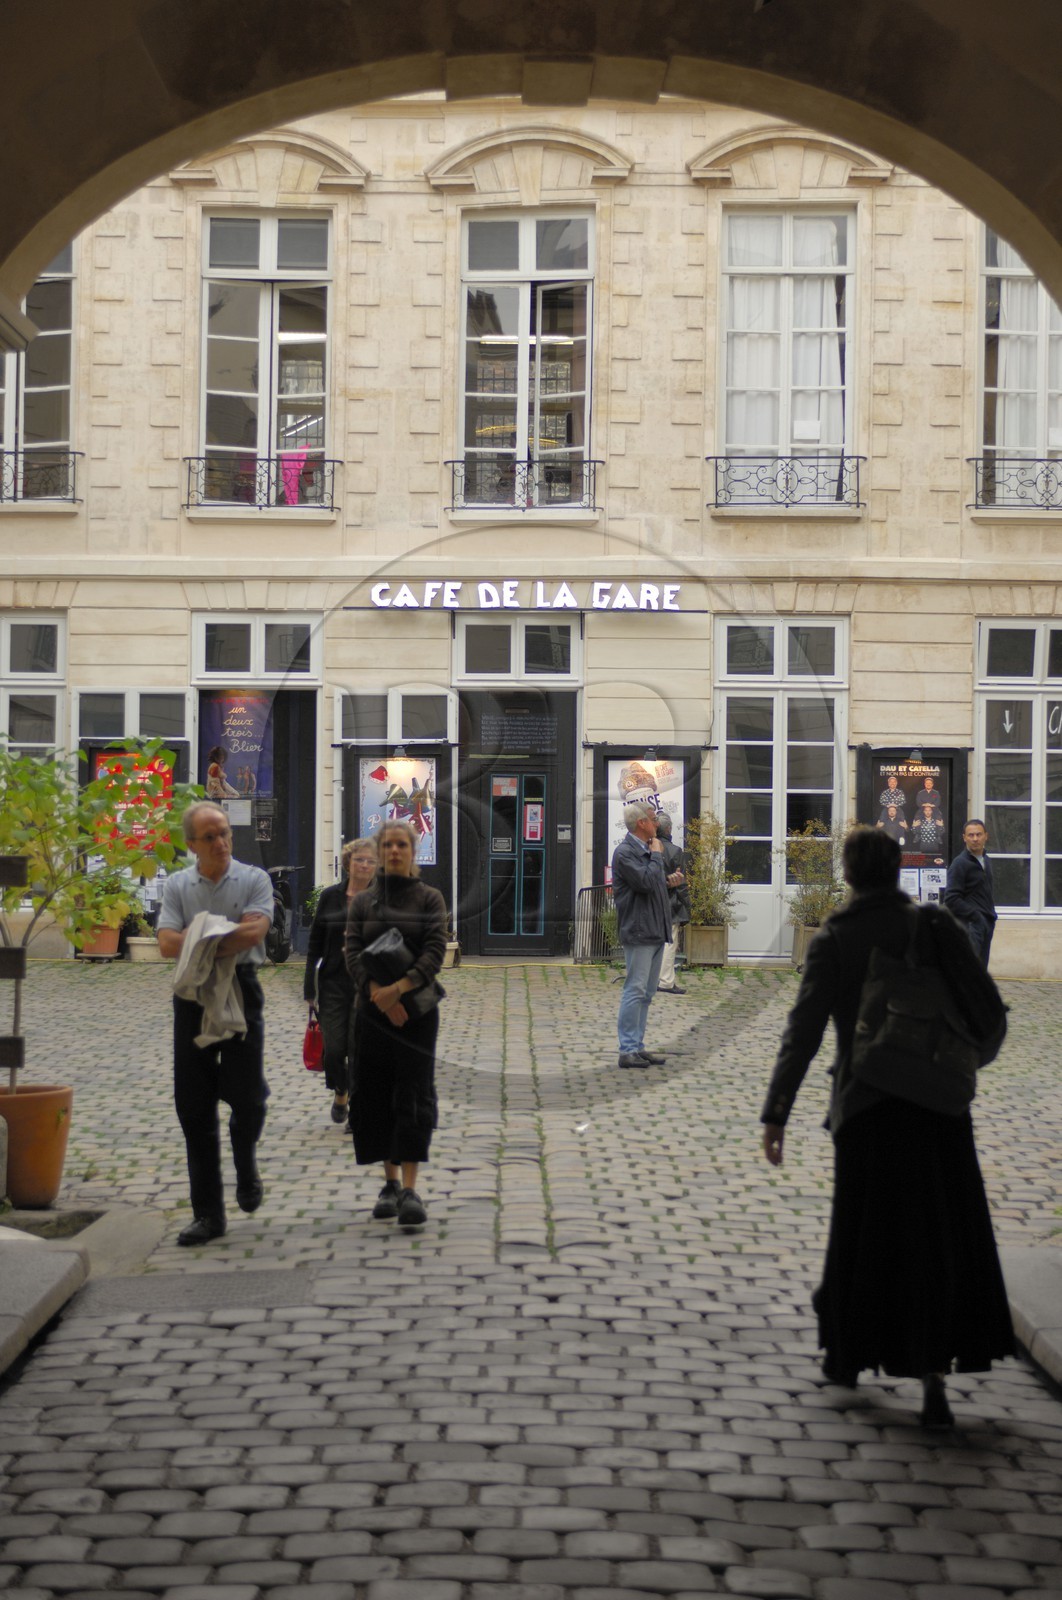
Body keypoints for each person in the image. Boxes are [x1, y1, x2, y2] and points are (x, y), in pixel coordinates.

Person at [760, 826, 1012, 1427]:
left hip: (867, 1105)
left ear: (848, 874)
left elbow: (804, 1031)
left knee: (864, 1234)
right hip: (938, 1107)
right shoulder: (932, 925)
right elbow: (983, 1004)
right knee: (941, 1235)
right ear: (898, 868)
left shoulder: (838, 938)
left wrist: (777, 1112)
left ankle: (847, 1353)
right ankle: (933, 1376)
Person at [157, 801, 273, 1247]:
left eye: (225, 833)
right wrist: (220, 933)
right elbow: (166, 943)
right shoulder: (178, 885)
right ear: (191, 844)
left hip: (242, 987)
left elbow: (254, 934)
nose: (221, 842)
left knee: (247, 1097)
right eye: (210, 837)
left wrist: (200, 935)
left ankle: (245, 1162)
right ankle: (207, 1213)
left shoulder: (254, 879)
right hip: (191, 995)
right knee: (194, 1104)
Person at [344, 820, 448, 1227]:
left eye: (401, 845)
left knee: (413, 1094)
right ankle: (387, 1183)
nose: (394, 852)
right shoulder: (363, 903)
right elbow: (352, 951)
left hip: (418, 1013)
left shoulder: (429, 899)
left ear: (412, 851)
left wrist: (400, 988)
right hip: (372, 1012)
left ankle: (410, 1188)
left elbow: (435, 951)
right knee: (373, 1095)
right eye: (387, 845)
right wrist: (379, 995)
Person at [303, 837, 377, 1125]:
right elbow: (315, 943)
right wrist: (310, 986)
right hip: (333, 982)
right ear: (348, 863)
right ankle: (341, 1091)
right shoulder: (330, 897)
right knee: (333, 1050)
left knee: (359, 1050)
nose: (365, 865)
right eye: (360, 860)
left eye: (371, 861)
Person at [611, 800, 672, 1069]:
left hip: (655, 929)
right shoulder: (625, 853)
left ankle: (638, 1046)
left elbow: (652, 882)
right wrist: (657, 855)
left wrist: (669, 881)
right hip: (639, 931)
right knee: (634, 990)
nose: (656, 823)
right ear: (641, 824)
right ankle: (627, 1050)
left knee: (647, 993)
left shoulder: (647, 850)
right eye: (652, 818)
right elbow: (645, 882)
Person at [945, 818, 997, 965]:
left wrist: (990, 917)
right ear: (964, 838)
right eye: (971, 835)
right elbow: (951, 899)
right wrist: (976, 916)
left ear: (986, 836)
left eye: (979, 834)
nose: (975, 839)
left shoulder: (986, 860)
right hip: (970, 925)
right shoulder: (960, 863)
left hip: (986, 923)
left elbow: (986, 892)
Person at [655, 813, 689, 995]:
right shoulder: (675, 851)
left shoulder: (649, 847)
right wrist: (687, 907)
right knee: (669, 942)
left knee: (654, 942)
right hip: (670, 902)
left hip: (652, 902)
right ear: (668, 829)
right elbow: (681, 883)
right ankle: (666, 981)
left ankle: (654, 978)